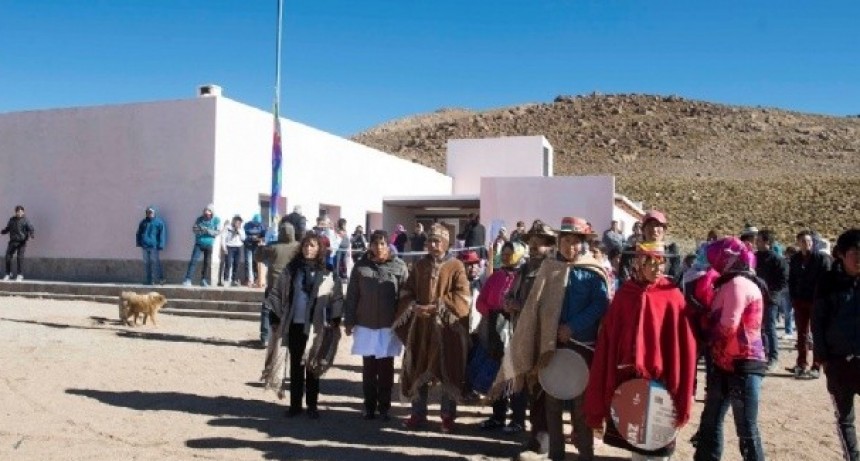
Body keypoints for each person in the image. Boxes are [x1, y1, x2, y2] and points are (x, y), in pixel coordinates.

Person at [501, 216, 609, 461]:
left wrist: (572, 326)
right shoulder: (549, 270)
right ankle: (555, 454)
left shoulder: (592, 272)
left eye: (575, 241)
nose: (570, 246)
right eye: (566, 241)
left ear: (582, 243)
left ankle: (585, 455)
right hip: (551, 345)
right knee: (552, 401)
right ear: (559, 242)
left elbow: (600, 305)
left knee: (581, 405)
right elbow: (537, 302)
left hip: (582, 346)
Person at [584, 242, 698, 461]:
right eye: (651, 263)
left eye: (661, 263)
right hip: (629, 378)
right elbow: (611, 337)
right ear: (638, 264)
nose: (657, 269)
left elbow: (683, 343)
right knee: (635, 436)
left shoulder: (672, 295)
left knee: (659, 442)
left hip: (662, 380)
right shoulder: (624, 295)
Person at [693, 237, 768, 461]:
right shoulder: (731, 284)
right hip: (726, 363)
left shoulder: (737, 284)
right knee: (711, 420)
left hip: (742, 364)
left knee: (746, 428)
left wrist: (704, 332)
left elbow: (728, 326)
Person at [395, 224, 471, 433]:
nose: (433, 245)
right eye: (430, 241)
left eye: (437, 241)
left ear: (446, 244)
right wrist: (413, 307)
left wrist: (438, 306)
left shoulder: (456, 266)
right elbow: (407, 292)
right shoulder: (420, 265)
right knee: (418, 367)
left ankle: (447, 416)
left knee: (447, 369)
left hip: (446, 329)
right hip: (421, 327)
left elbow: (463, 295)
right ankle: (418, 414)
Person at [261, 233, 344, 419]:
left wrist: (335, 318)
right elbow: (278, 293)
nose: (308, 249)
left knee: (313, 366)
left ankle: (312, 406)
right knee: (296, 366)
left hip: (316, 328)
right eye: (306, 245)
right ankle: (295, 405)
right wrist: (275, 317)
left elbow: (336, 297)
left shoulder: (327, 273)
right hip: (295, 324)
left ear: (319, 249)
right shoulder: (292, 270)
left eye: (312, 245)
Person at [492, 219, 557, 454]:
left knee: (545, 391)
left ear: (550, 245)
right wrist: (509, 303)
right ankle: (535, 436)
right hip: (523, 337)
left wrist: (522, 307)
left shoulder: (554, 271)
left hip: (544, 339)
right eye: (532, 242)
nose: (534, 246)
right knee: (531, 389)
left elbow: (552, 307)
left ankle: (544, 440)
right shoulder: (523, 270)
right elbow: (511, 295)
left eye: (540, 243)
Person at [344, 230, 409, 421]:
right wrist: (349, 321)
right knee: (369, 369)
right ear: (370, 246)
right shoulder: (360, 267)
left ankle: (384, 407)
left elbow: (405, 297)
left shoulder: (399, 266)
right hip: (366, 325)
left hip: (388, 327)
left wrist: (404, 323)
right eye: (375, 244)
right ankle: (369, 407)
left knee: (386, 369)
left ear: (388, 246)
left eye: (382, 244)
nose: (379, 247)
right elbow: (352, 296)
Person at [813, 228, 860, 461]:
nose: (859, 258)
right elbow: (817, 321)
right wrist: (823, 358)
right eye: (855, 252)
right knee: (845, 419)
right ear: (841, 254)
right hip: (838, 362)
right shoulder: (828, 283)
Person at [476, 241, 527, 434]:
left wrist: (513, 310)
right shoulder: (495, 277)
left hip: (517, 331)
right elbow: (480, 302)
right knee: (497, 374)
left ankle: (518, 419)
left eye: (509, 253)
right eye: (503, 253)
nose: (505, 257)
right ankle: (498, 416)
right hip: (495, 332)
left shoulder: (525, 277)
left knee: (516, 376)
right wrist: (493, 315)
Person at [788, 230, 832, 379]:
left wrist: (821, 299)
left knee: (817, 333)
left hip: (816, 301)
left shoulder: (821, 258)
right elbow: (791, 279)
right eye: (804, 241)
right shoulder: (795, 259)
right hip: (800, 301)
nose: (807, 244)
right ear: (798, 243)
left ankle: (816, 366)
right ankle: (801, 364)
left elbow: (826, 280)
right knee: (801, 334)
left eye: (809, 241)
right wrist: (793, 297)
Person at [256, 222, 300, 347]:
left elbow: (258, 258)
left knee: (267, 310)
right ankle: (288, 337)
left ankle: (265, 337)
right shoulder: (298, 247)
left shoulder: (272, 246)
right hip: (291, 284)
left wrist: (260, 247)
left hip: (274, 283)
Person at [754, 229, 788, 371]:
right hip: (755, 298)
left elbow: (783, 281)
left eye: (759, 240)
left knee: (769, 327)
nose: (756, 242)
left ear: (767, 242)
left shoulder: (777, 260)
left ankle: (773, 357)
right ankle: (761, 353)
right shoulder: (754, 257)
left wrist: (771, 293)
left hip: (770, 299)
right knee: (756, 327)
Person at [619, 210, 681, 285]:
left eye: (658, 225)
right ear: (643, 230)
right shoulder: (631, 253)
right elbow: (624, 278)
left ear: (664, 230)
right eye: (650, 225)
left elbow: (675, 280)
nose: (654, 229)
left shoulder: (671, 254)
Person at [182, 204, 220, 287]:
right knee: (193, 261)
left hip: (209, 244)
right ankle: (188, 279)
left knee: (207, 263)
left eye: (208, 212)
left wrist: (207, 230)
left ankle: (204, 280)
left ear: (212, 213)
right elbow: (195, 229)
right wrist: (203, 231)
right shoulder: (199, 219)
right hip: (199, 243)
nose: (206, 213)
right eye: (205, 211)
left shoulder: (216, 220)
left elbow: (216, 232)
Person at [2, 205, 35, 281]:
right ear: (16, 212)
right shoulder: (12, 220)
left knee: (20, 258)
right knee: (8, 256)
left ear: (23, 212)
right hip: (13, 241)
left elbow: (30, 228)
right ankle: (8, 273)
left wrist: (31, 234)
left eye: (21, 212)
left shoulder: (25, 220)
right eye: (18, 212)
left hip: (21, 242)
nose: (19, 213)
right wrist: (3, 231)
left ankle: (20, 275)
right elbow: (8, 228)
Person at [135, 206, 166, 286]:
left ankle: (160, 279)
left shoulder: (159, 223)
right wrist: (138, 242)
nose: (149, 214)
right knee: (146, 263)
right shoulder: (143, 222)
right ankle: (149, 280)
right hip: (145, 246)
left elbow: (162, 234)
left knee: (155, 262)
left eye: (151, 212)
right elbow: (138, 233)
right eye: (148, 212)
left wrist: (161, 244)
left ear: (154, 213)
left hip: (154, 246)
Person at [221, 215, 245, 286]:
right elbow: (223, 237)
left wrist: (238, 231)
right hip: (229, 246)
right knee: (228, 263)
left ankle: (234, 280)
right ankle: (226, 279)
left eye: (239, 223)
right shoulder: (228, 228)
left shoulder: (241, 229)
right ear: (234, 221)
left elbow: (243, 238)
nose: (238, 224)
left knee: (236, 264)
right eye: (237, 222)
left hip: (238, 247)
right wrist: (224, 247)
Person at [243, 214, 266, 287]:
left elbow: (264, 235)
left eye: (258, 223)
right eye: (255, 223)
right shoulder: (247, 225)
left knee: (256, 262)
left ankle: (257, 278)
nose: (256, 225)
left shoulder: (262, 226)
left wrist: (260, 239)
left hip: (257, 245)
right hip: (248, 245)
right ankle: (249, 279)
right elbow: (243, 235)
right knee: (248, 262)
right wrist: (251, 237)